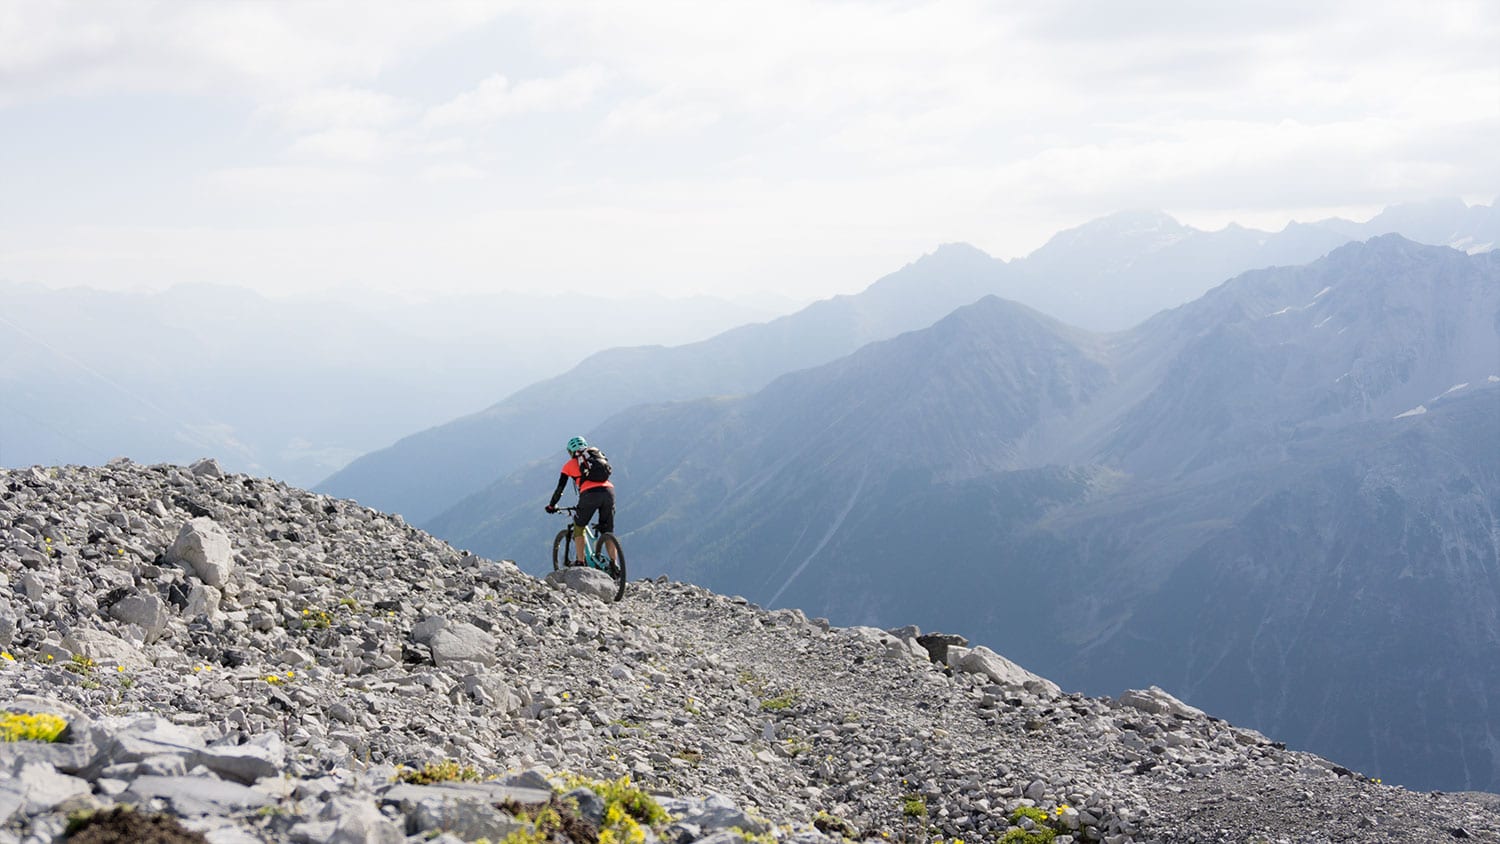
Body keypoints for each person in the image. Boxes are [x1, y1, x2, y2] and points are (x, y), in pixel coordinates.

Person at [544, 435, 615, 565]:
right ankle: (614, 565)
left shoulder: (569, 465)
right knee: (607, 531)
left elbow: (560, 489)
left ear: (570, 452)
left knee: (579, 526)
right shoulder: (597, 458)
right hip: (609, 492)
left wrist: (551, 505)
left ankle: (580, 561)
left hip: (589, 495)